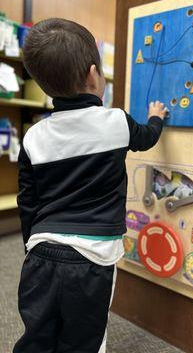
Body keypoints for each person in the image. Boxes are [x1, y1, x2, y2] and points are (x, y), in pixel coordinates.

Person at [13, 18, 167, 353]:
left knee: (37, 337)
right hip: (93, 259)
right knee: (83, 340)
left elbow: (28, 201)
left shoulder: (34, 136)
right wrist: (157, 116)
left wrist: (32, 247)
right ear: (93, 74)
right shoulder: (117, 123)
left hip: (41, 252)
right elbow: (147, 138)